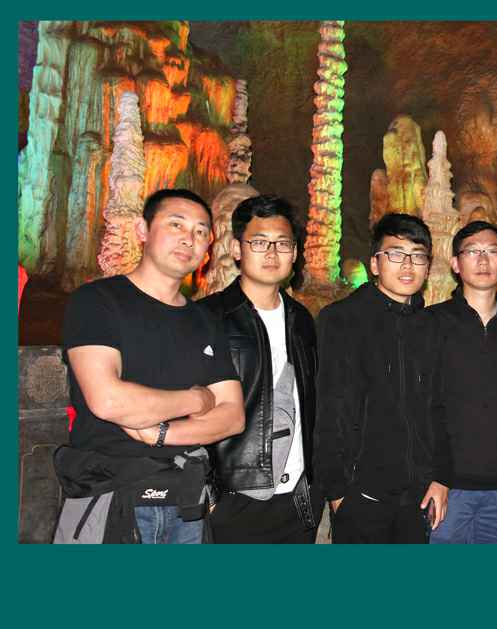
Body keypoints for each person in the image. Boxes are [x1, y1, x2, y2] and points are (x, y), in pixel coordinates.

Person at [54, 189, 244, 544]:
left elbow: (232, 416)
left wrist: (159, 432)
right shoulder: (97, 301)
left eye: (201, 231)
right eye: (176, 224)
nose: (189, 238)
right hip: (113, 495)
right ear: (142, 230)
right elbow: (109, 401)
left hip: (185, 500)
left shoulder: (205, 320)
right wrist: (197, 400)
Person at [315, 213, 449, 543]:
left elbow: (440, 407)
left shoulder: (431, 327)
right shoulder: (342, 320)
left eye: (418, 256)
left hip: (417, 496)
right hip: (361, 496)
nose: (408, 265)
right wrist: (337, 491)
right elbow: (328, 409)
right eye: (396, 254)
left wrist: (441, 477)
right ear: (375, 264)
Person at [200, 195, 322, 543]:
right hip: (235, 496)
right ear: (236, 249)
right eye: (259, 242)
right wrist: (210, 494)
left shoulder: (302, 320)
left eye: (282, 243)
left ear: (295, 253)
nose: (272, 253)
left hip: (298, 497)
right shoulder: (209, 318)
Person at [427, 221, 497, 544]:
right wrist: (433, 476)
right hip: (447, 484)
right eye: (472, 251)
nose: (483, 260)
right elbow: (423, 404)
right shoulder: (432, 321)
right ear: (455, 264)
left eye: (492, 252)